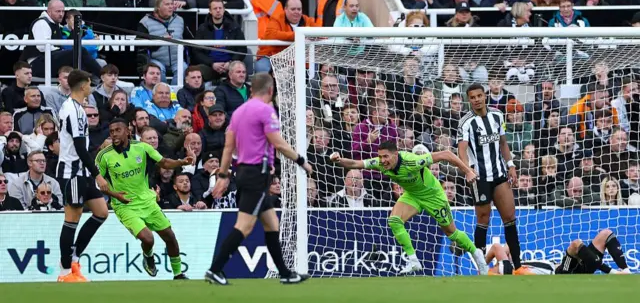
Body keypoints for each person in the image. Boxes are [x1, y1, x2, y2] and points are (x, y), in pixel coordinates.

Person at [206, 73, 311, 285]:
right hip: (256, 174)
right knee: (244, 226)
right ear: (271, 91)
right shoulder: (266, 110)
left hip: (246, 172)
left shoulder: (238, 112)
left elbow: (228, 147)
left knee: (272, 223)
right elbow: (279, 143)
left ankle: (284, 273)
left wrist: (224, 175)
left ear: (251, 90)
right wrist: (301, 161)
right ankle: (215, 269)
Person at [330, 140, 488, 275]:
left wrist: (467, 171)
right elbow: (355, 164)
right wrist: (339, 160)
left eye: (386, 156)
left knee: (451, 233)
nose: (382, 160)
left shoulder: (412, 161)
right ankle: (413, 261)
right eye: (380, 156)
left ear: (396, 154)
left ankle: (476, 253)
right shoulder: (380, 163)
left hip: (432, 196)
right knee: (394, 220)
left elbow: (446, 154)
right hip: (412, 195)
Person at [96, 118, 194, 279]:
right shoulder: (104, 156)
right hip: (124, 205)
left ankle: (178, 274)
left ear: (128, 131)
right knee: (148, 238)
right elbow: (100, 183)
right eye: (111, 131)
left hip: (147, 201)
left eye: (117, 130)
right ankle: (148, 256)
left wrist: (181, 161)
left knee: (169, 236)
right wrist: (116, 196)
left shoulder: (142, 147)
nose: (114, 134)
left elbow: (163, 162)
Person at [457, 83, 532, 275]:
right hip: (479, 177)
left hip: (499, 174)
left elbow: (503, 143)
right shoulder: (466, 122)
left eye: (479, 96)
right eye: (472, 97)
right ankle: (482, 268)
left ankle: (518, 266)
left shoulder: (497, 115)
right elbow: (462, 149)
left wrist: (511, 165)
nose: (476, 100)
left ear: (485, 96)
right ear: (469, 100)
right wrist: (467, 170)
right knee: (483, 219)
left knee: (510, 218)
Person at [56, 70, 111, 283]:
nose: (91, 87)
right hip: (73, 172)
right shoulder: (74, 110)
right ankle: (64, 271)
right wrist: (97, 174)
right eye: (89, 84)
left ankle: (74, 259)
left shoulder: (76, 107)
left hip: (82, 171)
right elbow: (79, 147)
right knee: (72, 219)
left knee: (101, 212)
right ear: (82, 86)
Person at [556, 229, 631, 274]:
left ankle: (626, 271)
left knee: (606, 233)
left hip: (583, 264)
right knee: (575, 244)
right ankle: (616, 273)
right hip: (566, 271)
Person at [484, 243, 556, 275]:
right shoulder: (551, 266)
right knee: (509, 245)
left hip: (513, 271)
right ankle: (482, 267)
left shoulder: (552, 270)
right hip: (515, 268)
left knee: (496, 247)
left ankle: (481, 268)